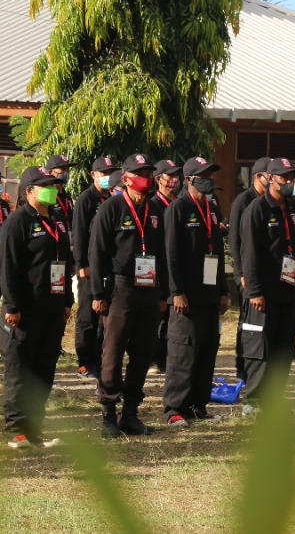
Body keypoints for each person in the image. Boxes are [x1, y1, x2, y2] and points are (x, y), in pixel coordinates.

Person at [89, 154, 167, 438]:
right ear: (126, 177)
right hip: (121, 289)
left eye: (149, 172)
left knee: (143, 351)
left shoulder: (156, 210)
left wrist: (164, 293)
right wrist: (99, 293)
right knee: (113, 351)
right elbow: (97, 253)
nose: (145, 177)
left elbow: (163, 253)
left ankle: (130, 413)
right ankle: (109, 412)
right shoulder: (111, 208)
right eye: (140, 173)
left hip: (150, 288)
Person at [0, 167, 74, 448]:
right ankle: (17, 428)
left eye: (54, 185)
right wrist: (13, 305)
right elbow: (8, 266)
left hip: (52, 309)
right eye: (45, 185)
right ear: (29, 190)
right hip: (25, 311)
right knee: (20, 371)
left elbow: (66, 262)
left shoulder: (58, 219)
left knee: (43, 371)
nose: (52, 189)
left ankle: (34, 427)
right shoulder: (18, 221)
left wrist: (67, 300)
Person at [162, 157, 228, 427]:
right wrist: (176, 290)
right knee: (183, 353)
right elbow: (171, 254)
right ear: (189, 179)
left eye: (211, 174)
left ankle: (199, 405)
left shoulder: (212, 206)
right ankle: (175, 409)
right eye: (203, 175)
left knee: (206, 350)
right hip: (186, 296)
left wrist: (223, 290)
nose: (209, 179)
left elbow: (218, 253)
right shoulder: (178, 208)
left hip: (210, 293)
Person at [237, 157, 295, 406]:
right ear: (270, 178)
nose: (289, 182)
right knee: (259, 349)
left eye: (292, 178)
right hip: (263, 293)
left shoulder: (293, 209)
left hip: (287, 290)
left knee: (283, 348)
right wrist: (254, 291)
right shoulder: (256, 209)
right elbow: (249, 253)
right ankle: (254, 401)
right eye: (284, 177)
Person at [71, 156, 120, 378]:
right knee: (87, 316)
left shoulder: (114, 198)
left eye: (111, 173)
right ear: (93, 175)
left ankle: (100, 360)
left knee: (105, 315)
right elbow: (80, 233)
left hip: (109, 266)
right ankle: (84, 362)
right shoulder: (86, 199)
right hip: (90, 267)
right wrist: (82, 264)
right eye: (103, 174)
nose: (108, 178)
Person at [229, 158, 272, 381]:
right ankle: (242, 365)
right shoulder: (243, 201)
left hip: (266, 274)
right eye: (270, 176)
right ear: (258, 177)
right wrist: (241, 273)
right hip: (247, 273)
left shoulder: (272, 201)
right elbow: (235, 240)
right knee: (247, 320)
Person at [149, 158, 181, 374]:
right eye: (170, 176)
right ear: (159, 179)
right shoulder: (153, 205)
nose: (174, 181)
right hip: (156, 268)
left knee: (173, 319)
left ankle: (170, 358)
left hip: (177, 269)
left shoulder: (179, 204)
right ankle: (154, 359)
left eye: (176, 176)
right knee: (157, 318)